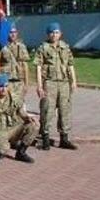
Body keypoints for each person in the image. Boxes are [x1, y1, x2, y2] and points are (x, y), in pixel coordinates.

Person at [35, 22, 78, 150]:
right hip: (49, 83)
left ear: (60, 34)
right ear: (48, 34)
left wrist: (74, 81)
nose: (54, 35)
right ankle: (45, 138)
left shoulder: (65, 47)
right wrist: (39, 85)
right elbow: (38, 67)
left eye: (56, 32)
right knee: (47, 110)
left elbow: (70, 64)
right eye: (52, 32)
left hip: (64, 83)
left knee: (65, 110)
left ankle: (64, 138)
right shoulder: (43, 48)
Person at [0, 74, 38, 163]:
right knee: (2, 151)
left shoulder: (14, 97)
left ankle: (21, 152)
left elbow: (21, 112)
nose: (3, 89)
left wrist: (28, 117)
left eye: (6, 86)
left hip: (13, 127)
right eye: (1, 87)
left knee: (33, 126)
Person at [0, 25, 31, 100]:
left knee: (19, 103)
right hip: (5, 82)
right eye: (11, 32)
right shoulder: (1, 47)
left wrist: (26, 84)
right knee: (6, 103)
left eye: (15, 32)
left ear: (17, 33)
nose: (13, 34)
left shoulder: (22, 46)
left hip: (19, 81)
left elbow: (25, 66)